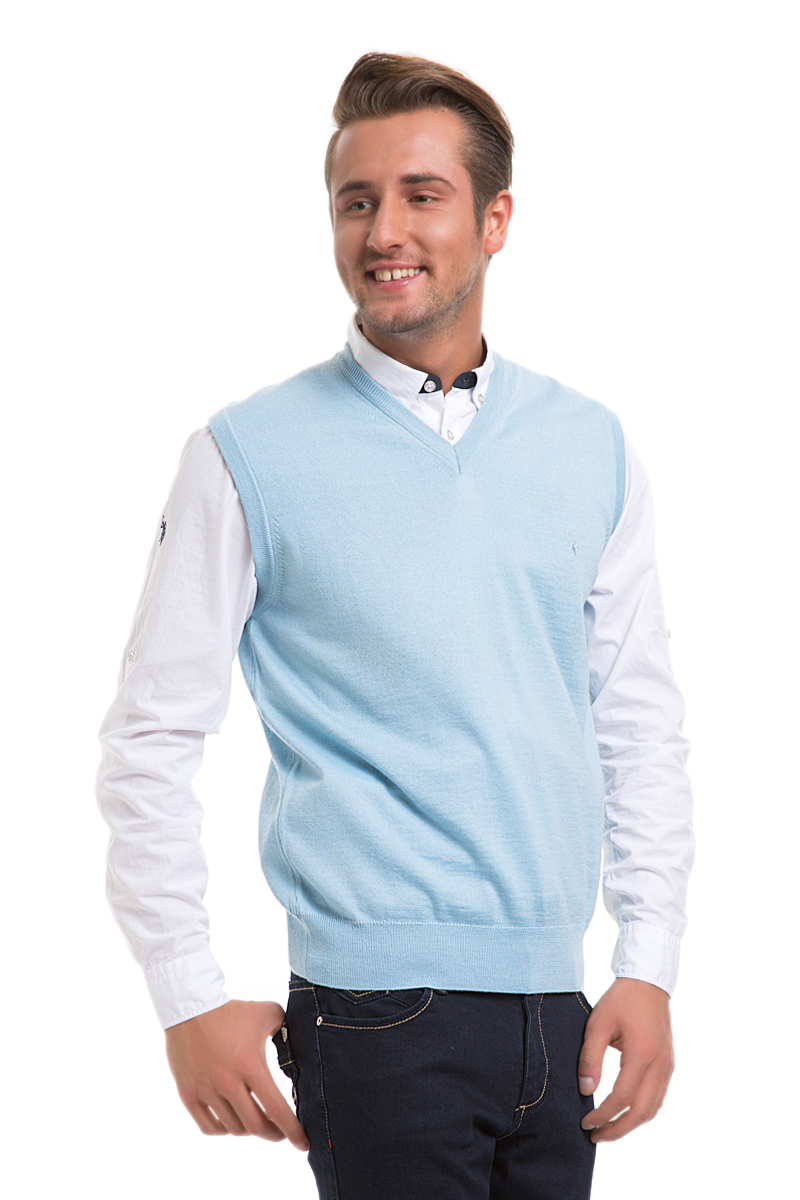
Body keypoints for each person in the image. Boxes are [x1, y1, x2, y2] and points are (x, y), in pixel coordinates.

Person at [97, 51, 694, 1200]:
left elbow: (634, 720)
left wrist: (649, 959)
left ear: (494, 220)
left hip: (558, 1010)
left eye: (421, 195)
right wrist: (184, 994)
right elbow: (150, 738)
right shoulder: (245, 454)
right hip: (372, 1018)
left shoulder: (589, 446)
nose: (383, 232)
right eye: (355, 201)